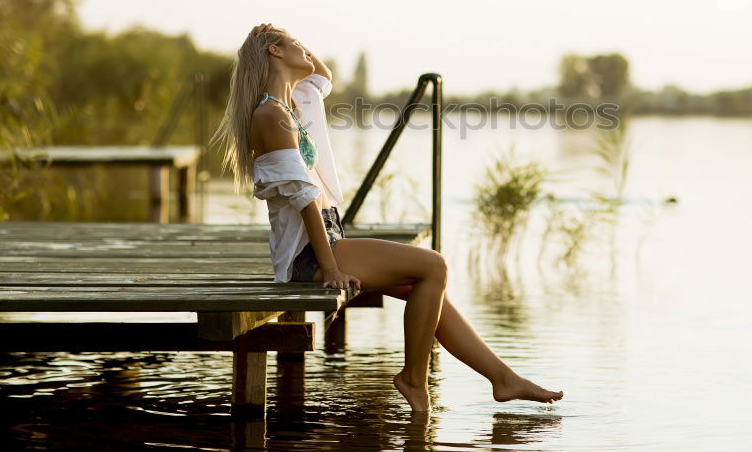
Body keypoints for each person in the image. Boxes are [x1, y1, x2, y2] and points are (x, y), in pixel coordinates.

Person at [211, 23, 564, 412]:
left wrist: (283, 43)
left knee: (426, 288)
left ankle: (502, 379)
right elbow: (304, 199)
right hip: (308, 254)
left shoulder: (295, 104)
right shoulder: (271, 115)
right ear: (275, 53)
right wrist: (330, 268)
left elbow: (322, 76)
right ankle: (413, 380)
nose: (308, 53)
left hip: (322, 242)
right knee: (434, 267)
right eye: (297, 44)